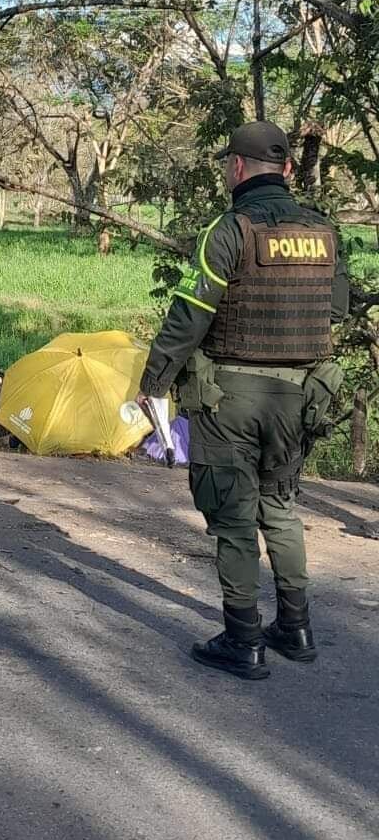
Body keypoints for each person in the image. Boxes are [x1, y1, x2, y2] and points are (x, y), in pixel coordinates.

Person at [137, 121, 348, 680]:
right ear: (288, 169)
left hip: (229, 399)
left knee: (233, 518)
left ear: (236, 167)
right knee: (280, 508)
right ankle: (295, 628)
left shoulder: (230, 229)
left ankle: (243, 639)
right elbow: (335, 310)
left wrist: (153, 384)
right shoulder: (325, 233)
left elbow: (188, 317)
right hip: (298, 399)